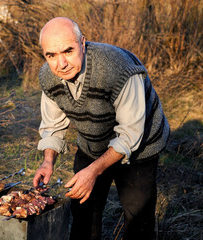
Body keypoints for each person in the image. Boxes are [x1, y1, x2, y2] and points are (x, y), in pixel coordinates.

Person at [32, 17, 170, 240]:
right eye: (51, 55)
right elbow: (53, 125)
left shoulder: (118, 69)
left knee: (138, 219)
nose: (61, 63)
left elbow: (129, 136)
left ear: (83, 43)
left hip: (140, 146)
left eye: (68, 51)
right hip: (93, 142)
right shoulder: (49, 76)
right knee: (83, 213)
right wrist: (48, 161)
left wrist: (94, 171)